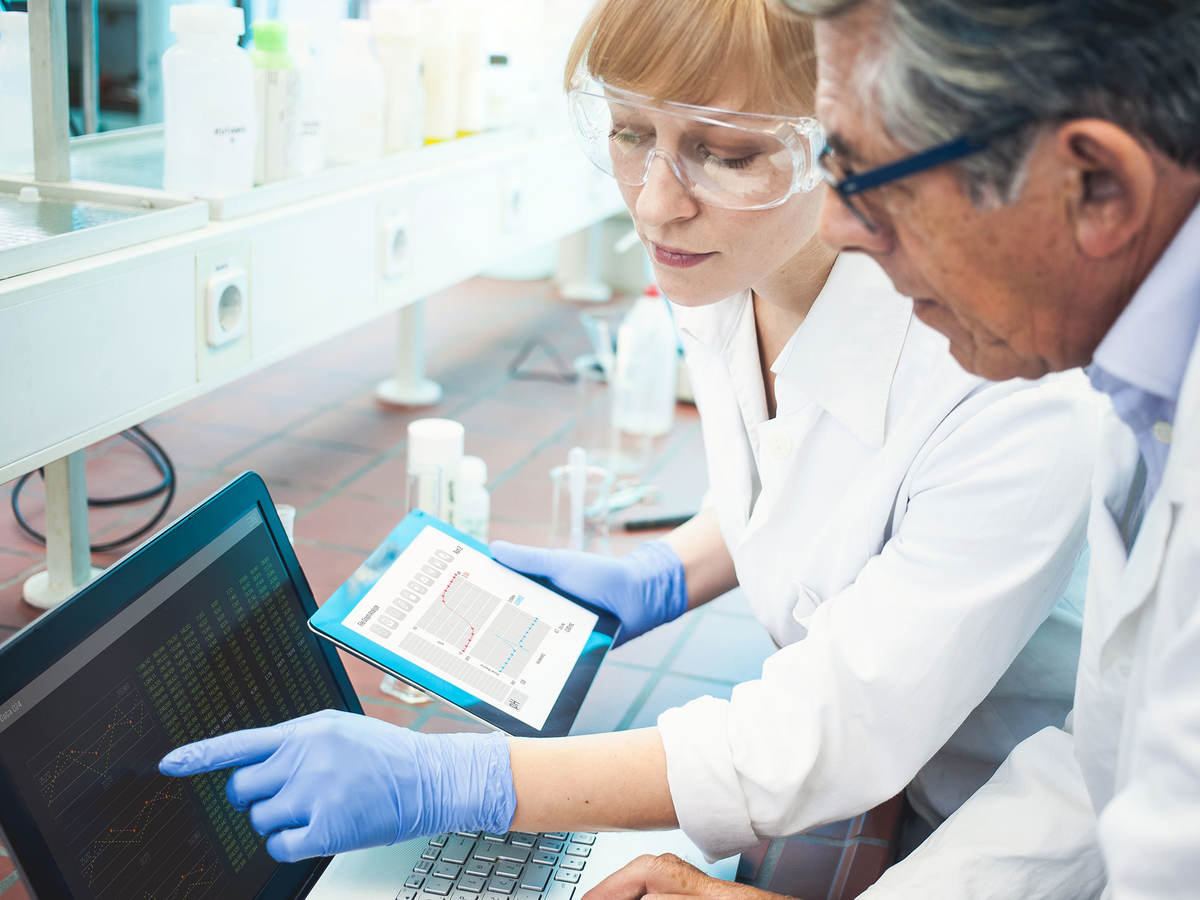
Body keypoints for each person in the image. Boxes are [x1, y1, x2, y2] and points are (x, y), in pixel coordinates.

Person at [158, 0, 1103, 867]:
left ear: (855, 141)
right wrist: (670, 571)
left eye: (727, 152)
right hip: (889, 780)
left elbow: (825, 733)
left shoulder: (1007, 376)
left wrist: (459, 781)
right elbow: (815, 484)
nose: (656, 203)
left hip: (1015, 812)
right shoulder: (734, 262)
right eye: (628, 133)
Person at [579, 0, 1200, 897]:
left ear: (1096, 185)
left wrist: (465, 788)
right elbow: (1107, 769)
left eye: (873, 174)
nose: (836, 223)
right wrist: (670, 571)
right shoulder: (1143, 383)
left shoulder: (1028, 386)